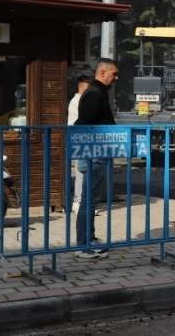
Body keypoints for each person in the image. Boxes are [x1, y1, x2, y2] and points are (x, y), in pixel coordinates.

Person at [74, 59, 119, 259]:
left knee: (91, 199)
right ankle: (83, 245)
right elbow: (84, 124)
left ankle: (89, 239)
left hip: (97, 153)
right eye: (113, 74)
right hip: (94, 154)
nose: (115, 78)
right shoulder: (94, 93)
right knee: (88, 200)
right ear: (102, 73)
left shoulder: (97, 91)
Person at [67, 75, 91, 215]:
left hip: (81, 138)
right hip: (80, 138)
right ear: (81, 86)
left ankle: (81, 201)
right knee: (81, 171)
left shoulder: (79, 100)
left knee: (83, 171)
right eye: (88, 87)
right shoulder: (78, 101)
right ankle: (78, 201)